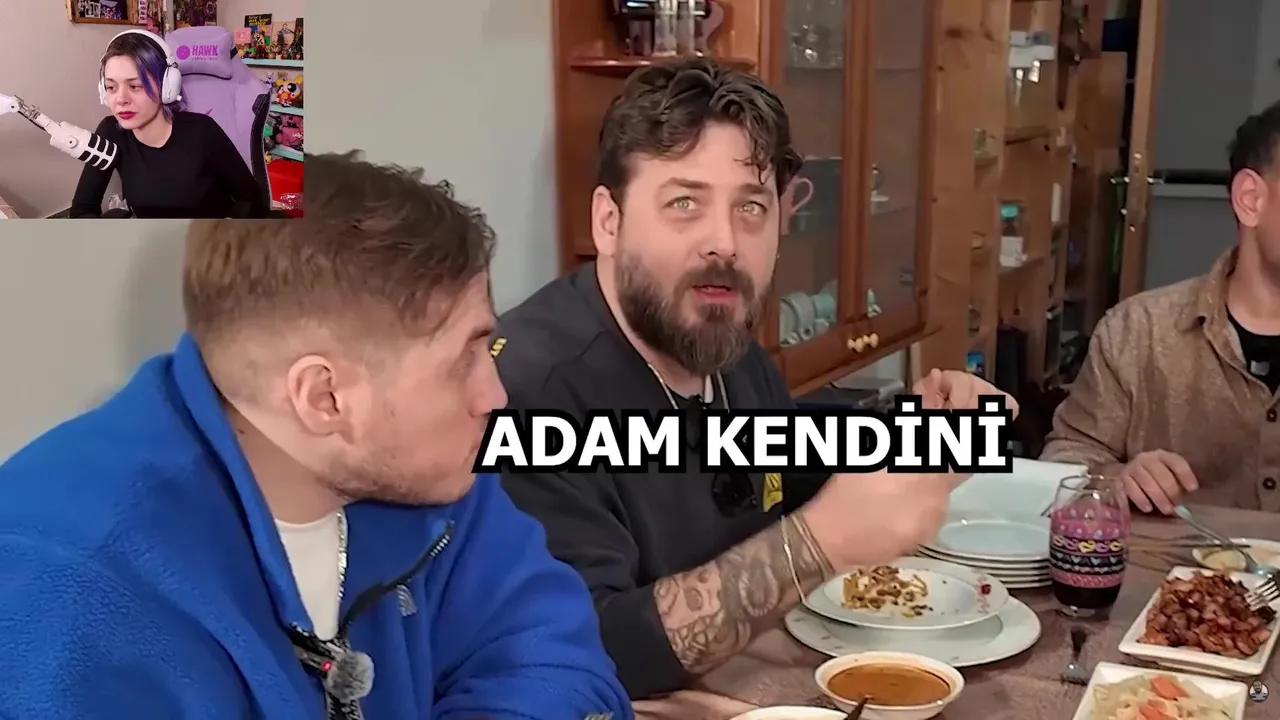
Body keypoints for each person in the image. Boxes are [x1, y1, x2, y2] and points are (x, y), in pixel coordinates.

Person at [0, 152, 630, 719]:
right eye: (464, 358)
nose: (494, 396)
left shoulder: (436, 475)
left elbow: (561, 666)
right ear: (323, 397)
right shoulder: (63, 592)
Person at [493, 57, 1017, 699]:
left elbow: (775, 463)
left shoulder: (718, 339)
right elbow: (590, 651)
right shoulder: (525, 392)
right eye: (684, 203)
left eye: (751, 208)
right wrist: (820, 543)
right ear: (609, 220)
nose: (725, 242)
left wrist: (922, 432)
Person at [1043, 100, 1280, 515]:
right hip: (1170, 561)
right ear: (1250, 199)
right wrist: (1116, 479)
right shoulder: (1137, 332)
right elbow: (1062, 461)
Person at [69, 30, 267, 219]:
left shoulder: (203, 131)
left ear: (166, 87)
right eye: (111, 87)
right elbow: (82, 211)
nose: (121, 100)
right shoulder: (111, 132)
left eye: (135, 86)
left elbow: (251, 200)